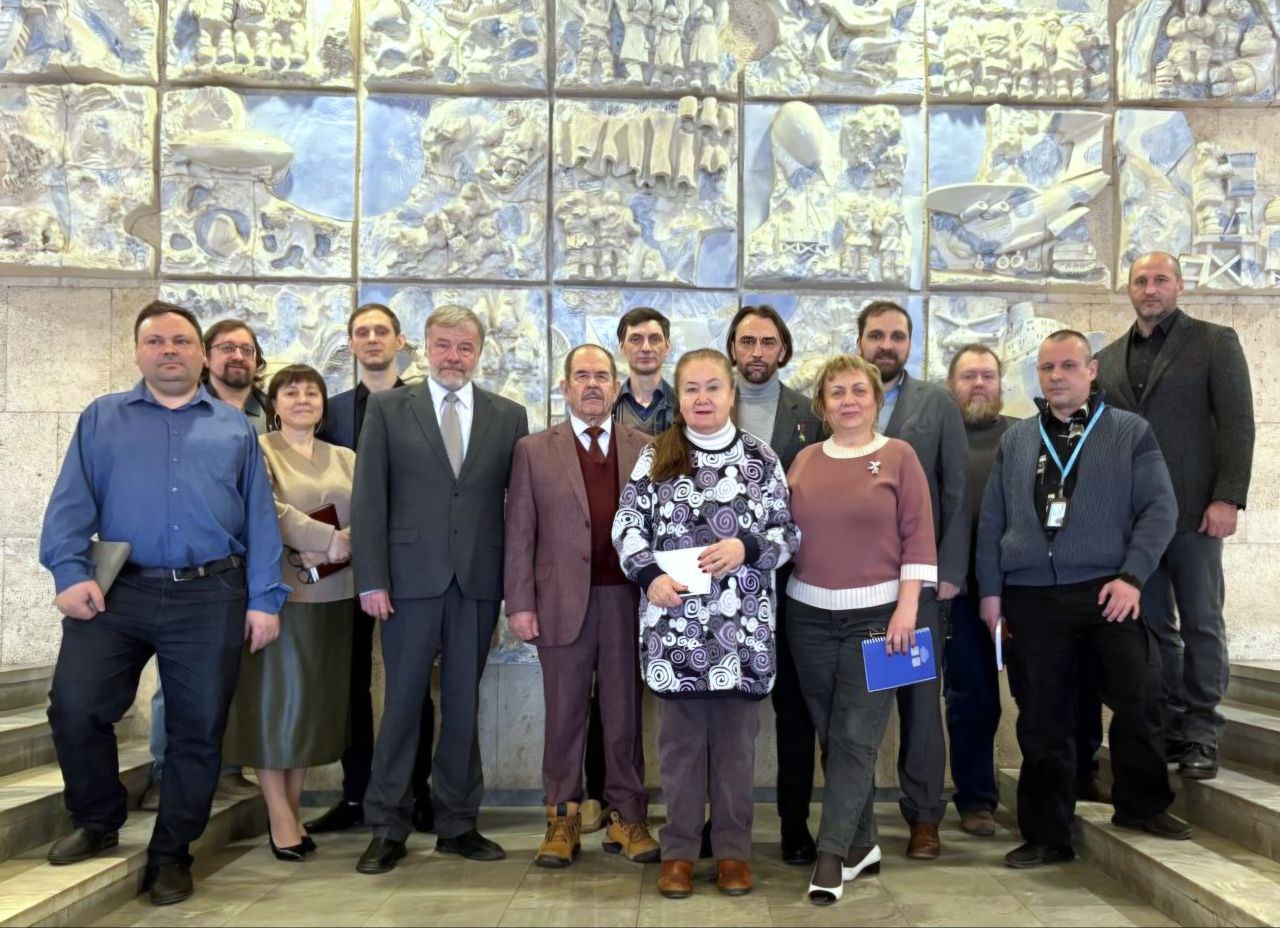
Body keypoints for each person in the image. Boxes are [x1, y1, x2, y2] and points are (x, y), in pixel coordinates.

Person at [38, 300, 286, 906]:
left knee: (197, 729)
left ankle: (172, 852)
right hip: (117, 592)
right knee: (75, 707)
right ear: (138, 352)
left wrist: (265, 599)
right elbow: (71, 501)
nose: (169, 350)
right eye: (156, 341)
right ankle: (97, 819)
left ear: (201, 355)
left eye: (181, 341)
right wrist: (68, 572)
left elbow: (259, 518)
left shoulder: (235, 428)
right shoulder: (103, 418)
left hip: (210, 595)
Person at [977, 330, 1191, 869]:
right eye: (1047, 367)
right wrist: (992, 594)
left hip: (1107, 590)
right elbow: (992, 521)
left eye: (1068, 365)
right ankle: (1048, 835)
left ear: (1091, 370)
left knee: (1139, 695)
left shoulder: (1129, 431)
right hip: (1031, 595)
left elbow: (1160, 509)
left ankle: (1141, 804)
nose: (1057, 376)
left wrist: (1133, 577)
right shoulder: (1018, 439)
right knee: (1042, 716)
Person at [612, 348, 800, 900]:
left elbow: (788, 532)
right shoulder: (657, 455)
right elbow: (627, 526)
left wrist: (747, 547)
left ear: (731, 394)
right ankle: (679, 854)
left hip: (742, 636)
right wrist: (649, 576)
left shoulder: (761, 458)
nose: (702, 398)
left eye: (713, 387)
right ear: (679, 397)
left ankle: (733, 853)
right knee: (680, 753)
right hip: (677, 633)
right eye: (691, 388)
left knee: (737, 754)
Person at [352, 305, 529, 874]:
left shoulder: (508, 416)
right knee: (402, 703)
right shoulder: (388, 407)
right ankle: (388, 825)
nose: (454, 357)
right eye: (444, 345)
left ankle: (457, 823)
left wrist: (517, 586)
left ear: (479, 352)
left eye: (465, 347)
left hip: (477, 580)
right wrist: (371, 578)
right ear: (425, 348)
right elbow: (368, 497)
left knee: (462, 704)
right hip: (406, 582)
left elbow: (519, 509)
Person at [1097, 251, 1255, 780]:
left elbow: (1238, 424)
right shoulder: (1107, 359)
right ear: (1129, 289)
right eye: (1140, 280)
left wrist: (1228, 497)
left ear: (1180, 286)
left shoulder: (1214, 342)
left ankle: (1203, 732)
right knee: (1153, 627)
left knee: (1202, 622)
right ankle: (1168, 727)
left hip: (1194, 513)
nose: (1150, 289)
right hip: (1134, 521)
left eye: (1160, 279)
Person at [785, 354, 936, 904]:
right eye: (836, 392)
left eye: (858, 391)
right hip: (807, 618)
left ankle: (829, 856)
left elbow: (919, 536)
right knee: (836, 737)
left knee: (855, 736)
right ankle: (862, 843)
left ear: (876, 399)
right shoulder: (803, 460)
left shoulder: (900, 456)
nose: (848, 401)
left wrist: (907, 609)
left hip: (880, 620)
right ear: (822, 405)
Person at [504, 344, 658, 869]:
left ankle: (627, 817)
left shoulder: (646, 448)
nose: (592, 384)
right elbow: (519, 532)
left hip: (627, 601)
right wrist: (520, 603)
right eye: (582, 376)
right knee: (565, 714)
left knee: (624, 715)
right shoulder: (533, 450)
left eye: (602, 376)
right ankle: (562, 819)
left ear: (616, 387)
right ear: (565, 387)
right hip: (558, 602)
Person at [308, 303, 439, 837]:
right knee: (351, 681)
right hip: (342, 564)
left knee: (413, 680)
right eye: (361, 332)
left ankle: (418, 791)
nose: (371, 339)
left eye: (381, 331)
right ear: (351, 344)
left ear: (399, 341)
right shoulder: (332, 412)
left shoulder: (425, 405)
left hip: (409, 564)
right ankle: (356, 793)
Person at [223, 364, 356, 860]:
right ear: (274, 404)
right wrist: (327, 538)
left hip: (335, 597)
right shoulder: (257, 450)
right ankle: (280, 819)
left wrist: (344, 543)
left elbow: (369, 510)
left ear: (323, 405)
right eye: (291, 392)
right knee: (273, 708)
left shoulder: (345, 457)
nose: (302, 399)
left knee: (308, 712)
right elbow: (267, 511)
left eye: (312, 393)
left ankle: (292, 811)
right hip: (277, 596)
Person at [144, 318, 274, 811]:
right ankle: (165, 772)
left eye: (246, 349)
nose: (237, 356)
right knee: (176, 679)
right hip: (191, 566)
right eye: (226, 347)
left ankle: (228, 766)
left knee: (229, 673)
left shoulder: (268, 414)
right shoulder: (180, 407)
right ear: (206, 355)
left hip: (250, 562)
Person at [856, 301, 967, 859]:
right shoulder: (842, 400)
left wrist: (949, 570)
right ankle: (853, 818)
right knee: (856, 706)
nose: (887, 345)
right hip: (853, 588)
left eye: (897, 336)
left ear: (909, 343)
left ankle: (924, 815)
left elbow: (956, 491)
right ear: (859, 341)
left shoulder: (934, 403)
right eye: (877, 335)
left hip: (915, 586)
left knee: (920, 705)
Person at [725, 304, 824, 865]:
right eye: (747, 342)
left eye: (767, 342)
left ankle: (794, 824)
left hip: (792, 584)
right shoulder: (711, 405)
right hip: (723, 590)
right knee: (723, 709)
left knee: (795, 711)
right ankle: (721, 820)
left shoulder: (809, 414)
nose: (757, 352)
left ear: (782, 349)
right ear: (732, 349)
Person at [943, 345, 1016, 836]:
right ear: (951, 385)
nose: (978, 384)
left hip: (1008, 591)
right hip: (945, 592)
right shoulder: (935, 437)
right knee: (961, 698)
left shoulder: (1022, 435)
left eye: (987, 375)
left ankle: (983, 800)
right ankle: (955, 802)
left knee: (993, 696)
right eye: (968, 376)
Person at [612, 306, 675, 435]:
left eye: (655, 339)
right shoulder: (607, 406)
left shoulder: (684, 406)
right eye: (636, 339)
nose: (646, 348)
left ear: (668, 347)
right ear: (621, 347)